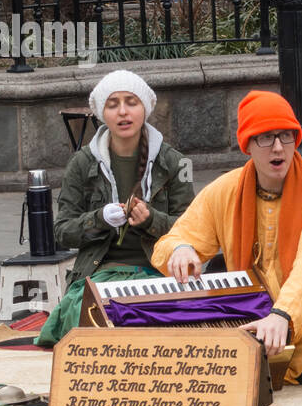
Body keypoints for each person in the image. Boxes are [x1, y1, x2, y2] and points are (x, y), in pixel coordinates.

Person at [151, 91, 302, 385]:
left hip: (299, 317)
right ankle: (285, 367)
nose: (278, 148)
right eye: (265, 138)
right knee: (176, 329)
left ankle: (248, 368)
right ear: (247, 145)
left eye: (286, 136)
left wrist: (282, 315)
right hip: (243, 314)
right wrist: (179, 248)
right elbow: (170, 241)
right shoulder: (224, 190)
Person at [36, 70, 195, 347]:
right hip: (100, 272)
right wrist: (99, 219)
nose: (123, 112)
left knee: (171, 329)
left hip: (159, 272)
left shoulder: (178, 163)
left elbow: (192, 229)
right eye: (113, 104)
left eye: (131, 102)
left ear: (144, 107)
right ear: (101, 113)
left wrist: (150, 220)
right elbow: (62, 232)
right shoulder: (81, 163)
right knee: (92, 322)